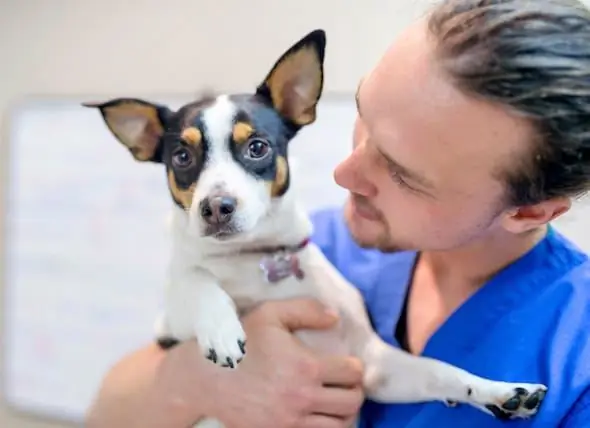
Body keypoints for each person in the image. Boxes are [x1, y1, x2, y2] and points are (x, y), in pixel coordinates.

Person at [86, 0, 590, 426]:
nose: (343, 174)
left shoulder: (576, 354)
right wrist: (199, 382)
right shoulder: (302, 242)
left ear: (528, 212)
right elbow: (105, 413)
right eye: (362, 116)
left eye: (402, 173)